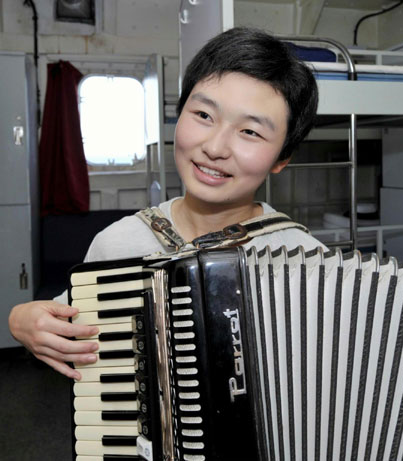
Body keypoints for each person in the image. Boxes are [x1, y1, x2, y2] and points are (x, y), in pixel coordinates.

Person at [8, 27, 323, 380]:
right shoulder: (116, 244)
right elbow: (62, 323)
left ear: (282, 158)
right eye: (203, 115)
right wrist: (21, 320)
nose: (215, 148)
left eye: (250, 132)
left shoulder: (307, 261)